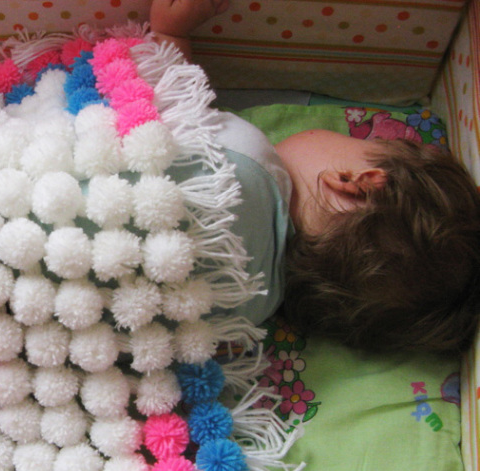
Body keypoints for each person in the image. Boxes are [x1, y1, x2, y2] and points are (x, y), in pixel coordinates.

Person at [151, 0, 480, 353]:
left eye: (365, 141)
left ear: (353, 182)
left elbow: (165, 113)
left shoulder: (248, 160)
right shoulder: (250, 313)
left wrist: (171, 33)